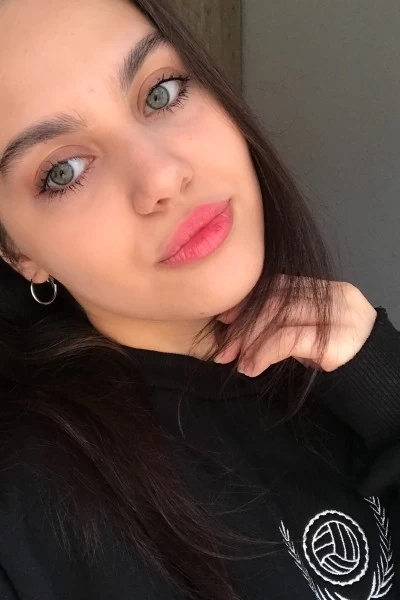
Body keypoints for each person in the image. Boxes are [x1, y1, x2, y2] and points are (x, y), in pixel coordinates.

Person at [0, 0, 398, 598]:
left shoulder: (343, 360)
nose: (162, 176)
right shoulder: (29, 505)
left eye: (161, 92)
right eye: (64, 171)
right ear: (16, 253)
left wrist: (386, 387)